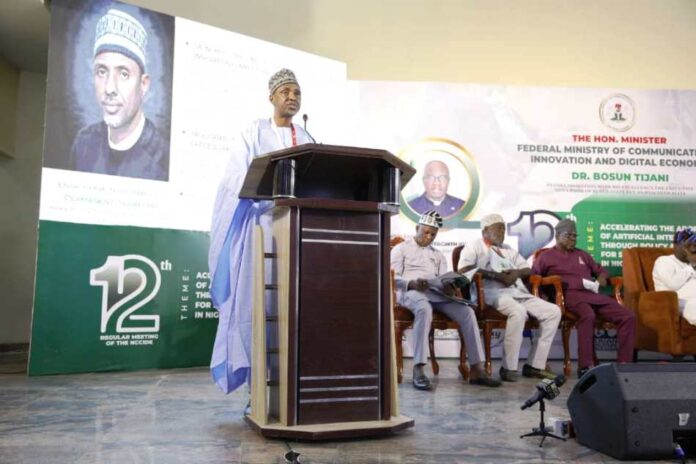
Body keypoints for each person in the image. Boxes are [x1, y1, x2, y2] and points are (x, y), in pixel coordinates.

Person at [208, 68, 313, 393]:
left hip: (296, 232)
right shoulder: (254, 132)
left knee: (293, 307)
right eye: (286, 92)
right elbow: (234, 178)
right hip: (261, 230)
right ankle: (258, 390)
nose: (292, 97)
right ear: (272, 98)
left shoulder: (307, 138)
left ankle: (292, 385)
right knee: (258, 307)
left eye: (296, 92)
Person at [391, 210, 501, 390]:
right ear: (417, 228)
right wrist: (412, 282)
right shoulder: (400, 248)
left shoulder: (439, 255)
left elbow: (442, 280)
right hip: (410, 291)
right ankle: (419, 368)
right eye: (425, 232)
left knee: (467, 312)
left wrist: (450, 286)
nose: (428, 237)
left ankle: (476, 369)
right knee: (424, 309)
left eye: (433, 234)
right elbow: (393, 277)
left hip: (435, 293)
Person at [457, 214, 561, 382]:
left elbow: (527, 269)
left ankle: (535, 365)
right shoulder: (474, 245)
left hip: (516, 291)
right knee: (518, 312)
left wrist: (516, 273)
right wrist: (495, 275)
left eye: (504, 228)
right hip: (490, 293)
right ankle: (508, 368)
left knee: (553, 311)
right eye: (499, 228)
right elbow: (464, 269)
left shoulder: (508, 249)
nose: (502, 232)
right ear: (485, 230)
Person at [70, 9, 169, 181]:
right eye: (102, 71)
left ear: (143, 84)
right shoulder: (83, 144)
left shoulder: (163, 158)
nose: (109, 88)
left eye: (123, 74)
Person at [531, 219, 636, 378]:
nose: (573, 239)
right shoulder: (546, 257)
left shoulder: (582, 255)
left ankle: (624, 364)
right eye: (569, 235)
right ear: (558, 236)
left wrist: (601, 278)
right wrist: (547, 294)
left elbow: (601, 271)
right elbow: (535, 278)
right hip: (568, 296)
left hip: (592, 295)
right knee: (588, 315)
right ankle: (585, 366)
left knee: (628, 316)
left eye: (575, 236)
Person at [653, 228, 696, 324]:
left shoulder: (690, 263)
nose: (691, 249)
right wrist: (691, 266)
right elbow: (672, 285)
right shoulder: (664, 261)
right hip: (681, 302)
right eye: (687, 245)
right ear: (676, 245)